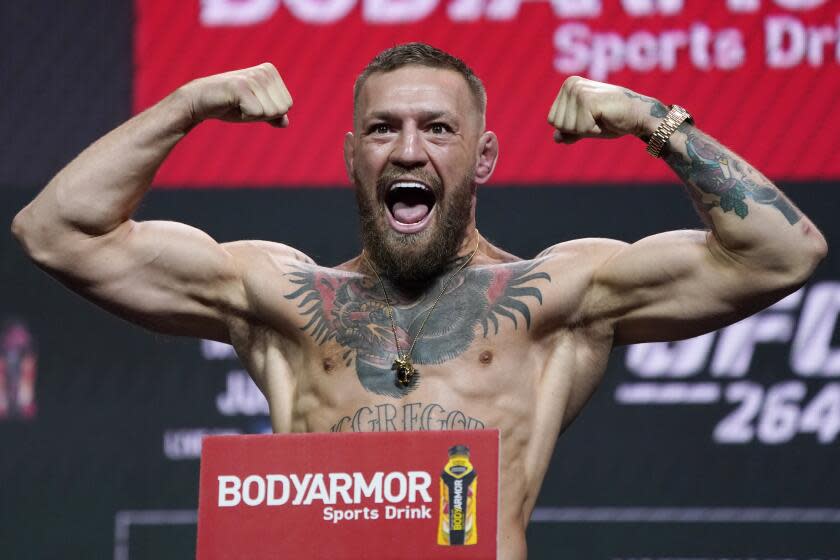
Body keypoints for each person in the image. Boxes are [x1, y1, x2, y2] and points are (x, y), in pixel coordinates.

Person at [11, 43, 827, 558]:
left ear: (484, 157)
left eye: (438, 129)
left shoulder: (556, 298)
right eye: (382, 129)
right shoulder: (286, 300)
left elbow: (783, 252)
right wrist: (188, 103)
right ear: (351, 156)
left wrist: (652, 118)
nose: (408, 148)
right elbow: (57, 232)